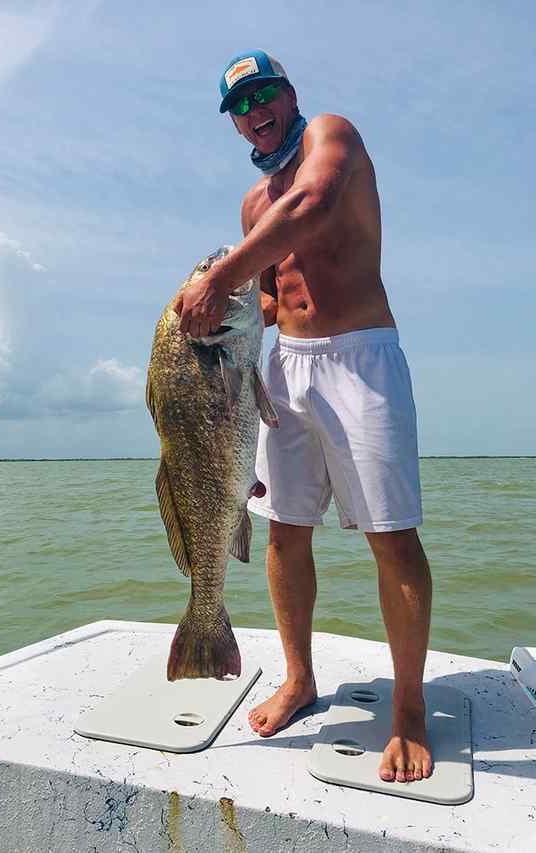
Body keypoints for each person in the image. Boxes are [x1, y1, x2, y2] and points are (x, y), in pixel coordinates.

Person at [173, 50, 433, 784]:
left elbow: (310, 209)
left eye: (264, 94)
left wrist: (218, 275)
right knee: (285, 531)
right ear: (234, 122)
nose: (256, 110)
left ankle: (409, 708)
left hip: (362, 357)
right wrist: (209, 319)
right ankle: (299, 676)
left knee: (392, 536)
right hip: (285, 368)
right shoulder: (252, 206)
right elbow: (265, 296)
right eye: (241, 105)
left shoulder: (332, 137)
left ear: (288, 94)